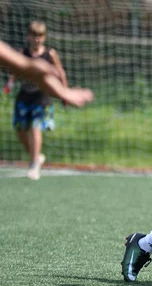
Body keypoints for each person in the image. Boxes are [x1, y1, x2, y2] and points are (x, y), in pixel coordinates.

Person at [2, 21, 93, 180]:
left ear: (44, 37)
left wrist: (64, 91)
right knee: (20, 129)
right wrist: (9, 84)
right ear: (28, 36)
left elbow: (58, 73)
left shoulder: (50, 54)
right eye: (34, 35)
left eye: (40, 36)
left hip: (41, 97)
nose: (37, 39)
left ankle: (33, 165)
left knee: (36, 127)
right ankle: (35, 156)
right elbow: (17, 69)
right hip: (24, 95)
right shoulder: (23, 52)